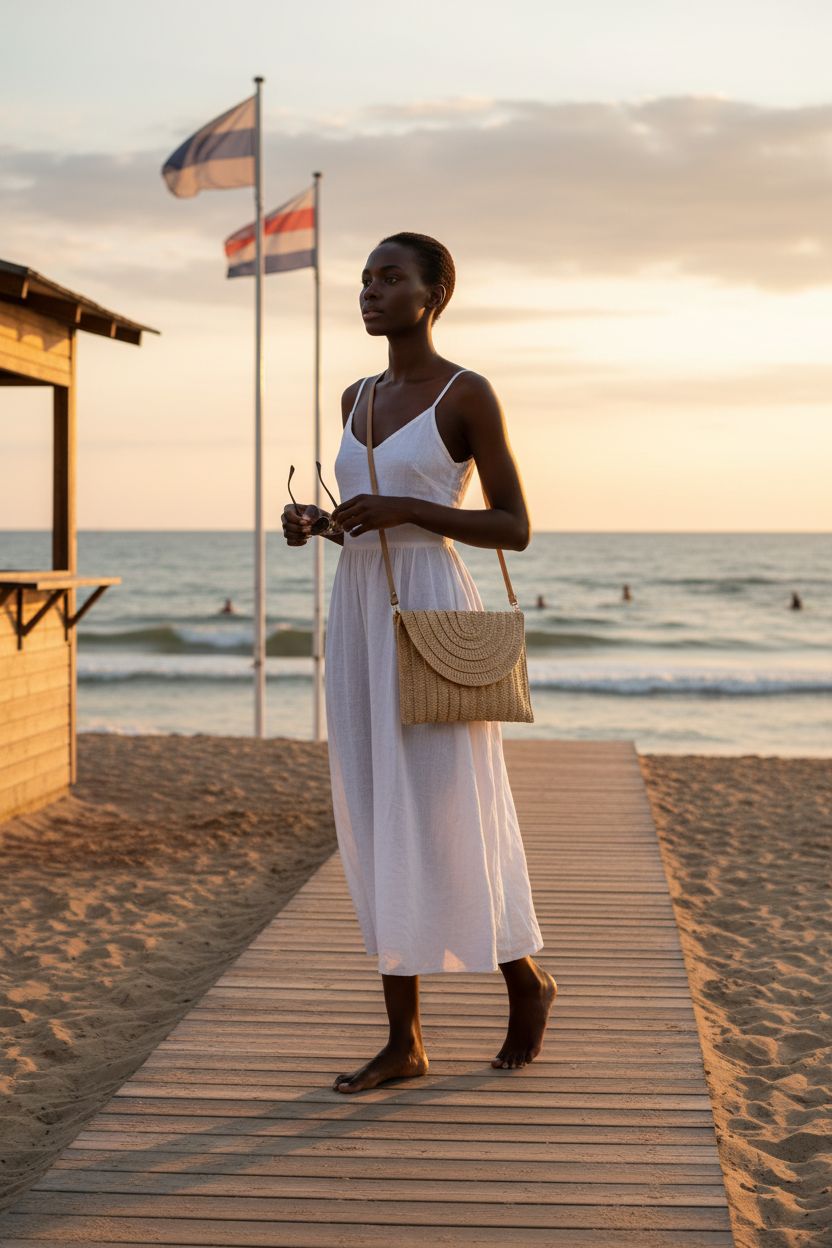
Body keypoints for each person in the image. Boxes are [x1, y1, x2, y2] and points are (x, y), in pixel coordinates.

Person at [281, 231, 556, 1095]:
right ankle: (406, 1040)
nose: (370, 291)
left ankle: (526, 979)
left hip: (434, 608)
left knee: (448, 808)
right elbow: (364, 522)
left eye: (390, 278)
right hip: (361, 608)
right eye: (364, 279)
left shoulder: (466, 393)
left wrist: (408, 506)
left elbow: (514, 525)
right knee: (373, 808)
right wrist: (316, 526)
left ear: (432, 294)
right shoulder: (353, 395)